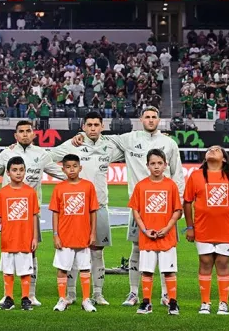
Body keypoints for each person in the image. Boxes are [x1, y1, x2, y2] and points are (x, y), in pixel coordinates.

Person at [70, 106, 183, 307]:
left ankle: (167, 294)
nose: (150, 120)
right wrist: (81, 135)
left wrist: (178, 206)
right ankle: (133, 293)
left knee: (167, 250)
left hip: (165, 206)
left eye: (154, 117)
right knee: (137, 249)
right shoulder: (129, 138)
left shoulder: (169, 143)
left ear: (159, 119)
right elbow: (102, 137)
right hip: (139, 207)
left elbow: (178, 175)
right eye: (147, 117)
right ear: (141, 119)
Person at [0, 120, 66, 306]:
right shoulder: (6, 153)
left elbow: (61, 173)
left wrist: (81, 178)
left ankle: (30, 294)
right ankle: (7, 295)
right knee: (7, 253)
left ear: (34, 134)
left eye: (28, 131)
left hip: (31, 213)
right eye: (21, 131)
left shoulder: (41, 154)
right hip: (9, 214)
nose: (25, 134)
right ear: (15, 135)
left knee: (31, 253)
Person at [50, 111, 122, 306]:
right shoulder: (74, 144)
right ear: (83, 127)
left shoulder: (109, 146)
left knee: (97, 251)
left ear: (102, 126)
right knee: (73, 251)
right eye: (89, 125)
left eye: (96, 125)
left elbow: (133, 151)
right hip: (74, 210)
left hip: (99, 207)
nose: (92, 128)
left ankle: (98, 293)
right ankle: (71, 294)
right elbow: (47, 156)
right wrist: (64, 176)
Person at [183, 146, 229, 315]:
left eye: (216, 150)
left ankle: (223, 303)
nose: (211, 151)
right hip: (203, 229)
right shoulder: (195, 176)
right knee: (205, 262)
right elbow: (187, 202)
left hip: (225, 229)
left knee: (223, 263)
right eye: (209, 149)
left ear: (224, 158)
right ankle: (205, 303)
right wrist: (189, 227)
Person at [128, 149, 182, 316]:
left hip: (167, 236)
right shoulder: (141, 186)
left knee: (168, 270)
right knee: (147, 270)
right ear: (147, 166)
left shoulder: (171, 185)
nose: (156, 167)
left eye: (160, 163)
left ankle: (173, 302)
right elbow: (136, 211)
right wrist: (144, 230)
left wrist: (167, 228)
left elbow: (177, 211)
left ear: (165, 165)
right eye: (153, 163)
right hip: (148, 237)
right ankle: (146, 302)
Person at [0, 157, 40, 311]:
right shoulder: (3, 193)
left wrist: (35, 237)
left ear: (25, 171)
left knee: (25, 271)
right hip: (8, 240)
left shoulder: (30, 192)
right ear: (8, 173)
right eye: (14, 170)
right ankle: (9, 298)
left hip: (25, 239)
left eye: (21, 170)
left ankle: (25, 298)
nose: (18, 173)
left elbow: (34, 216)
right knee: (8, 271)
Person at [48, 154, 99, 313]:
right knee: (62, 268)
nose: (71, 169)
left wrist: (93, 233)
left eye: (74, 166)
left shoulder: (88, 186)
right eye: (68, 167)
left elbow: (93, 211)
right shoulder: (59, 188)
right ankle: (62, 299)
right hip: (64, 236)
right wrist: (56, 234)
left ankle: (85, 300)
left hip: (83, 235)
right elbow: (55, 212)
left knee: (85, 268)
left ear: (80, 168)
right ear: (63, 169)